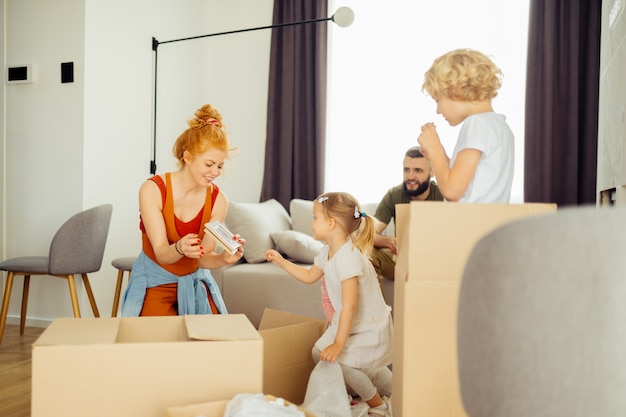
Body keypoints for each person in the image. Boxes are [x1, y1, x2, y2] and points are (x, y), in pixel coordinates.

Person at [265, 192, 393, 417]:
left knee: (340, 362)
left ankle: (377, 404)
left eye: (315, 217)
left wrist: (338, 344)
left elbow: (350, 306)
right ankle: (357, 385)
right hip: (348, 320)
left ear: (331, 223)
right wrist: (281, 261)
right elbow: (308, 276)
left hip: (364, 324)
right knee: (318, 353)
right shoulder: (326, 252)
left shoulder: (348, 257)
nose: (311, 222)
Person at [121, 103, 245, 317]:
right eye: (209, 164)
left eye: (220, 166)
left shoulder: (218, 200)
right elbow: (161, 252)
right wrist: (179, 248)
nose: (215, 172)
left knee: (216, 343)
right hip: (155, 282)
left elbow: (203, 258)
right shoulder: (153, 190)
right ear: (187, 158)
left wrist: (224, 259)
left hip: (195, 282)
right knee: (154, 346)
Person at [417, 48, 514, 203]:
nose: (438, 110)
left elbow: (452, 190)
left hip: (469, 223)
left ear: (457, 88)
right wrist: (441, 155)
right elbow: (470, 179)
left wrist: (434, 149)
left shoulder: (477, 124)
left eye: (438, 101)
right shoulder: (500, 127)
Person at [370, 146, 443, 282]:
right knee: (367, 255)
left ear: (432, 172)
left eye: (418, 171)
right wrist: (389, 241)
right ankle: (379, 304)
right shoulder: (394, 194)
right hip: (401, 259)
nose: (410, 176)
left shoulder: (443, 195)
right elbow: (368, 233)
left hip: (434, 260)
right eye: (406, 170)